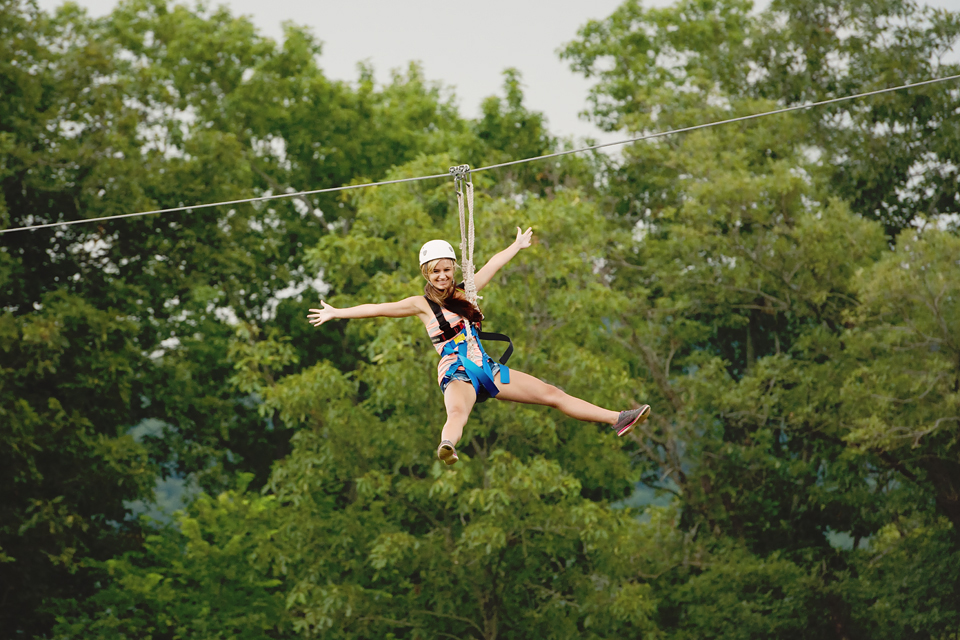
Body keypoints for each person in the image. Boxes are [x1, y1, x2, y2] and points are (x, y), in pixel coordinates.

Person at [307, 227, 651, 465]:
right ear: (426, 275)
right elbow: (377, 310)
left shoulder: (464, 293)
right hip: (457, 371)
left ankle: (617, 418)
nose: (442, 276)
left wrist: (516, 247)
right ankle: (447, 445)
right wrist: (338, 312)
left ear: (452, 269)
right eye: (435, 272)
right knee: (457, 413)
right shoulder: (420, 304)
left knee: (551, 394)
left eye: (446, 269)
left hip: (487, 368)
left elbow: (492, 266)